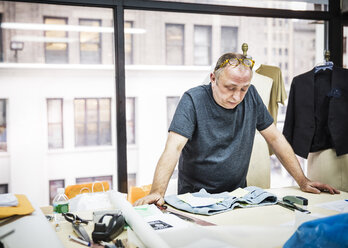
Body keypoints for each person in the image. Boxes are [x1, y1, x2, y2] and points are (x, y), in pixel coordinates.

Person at [134, 53, 340, 206]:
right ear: (213, 79)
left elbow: (275, 139)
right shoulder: (193, 99)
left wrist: (303, 181)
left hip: (236, 196)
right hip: (194, 198)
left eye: (243, 88)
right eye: (230, 88)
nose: (237, 96)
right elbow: (174, 148)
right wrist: (157, 191)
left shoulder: (251, 96)